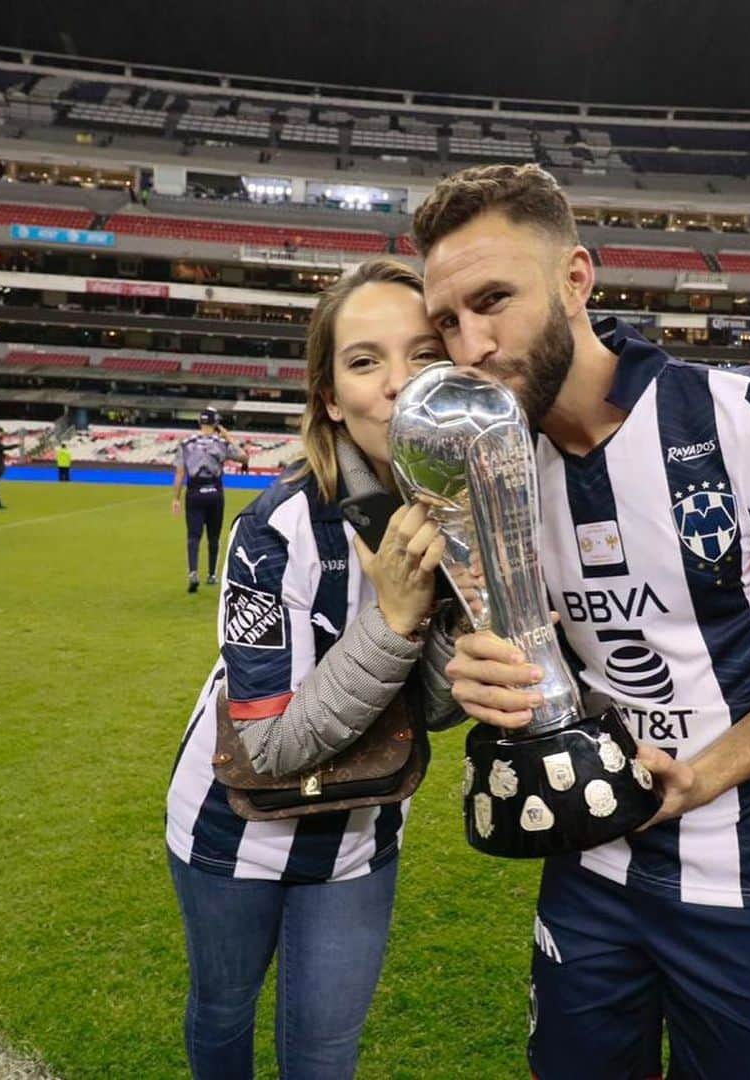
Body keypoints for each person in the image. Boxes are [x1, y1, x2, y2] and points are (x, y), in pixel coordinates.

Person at [414, 164, 750, 1080]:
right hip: (588, 862)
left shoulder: (745, 420)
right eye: (446, 321)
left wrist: (703, 778)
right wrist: (478, 675)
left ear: (576, 280)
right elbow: (507, 661)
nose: (468, 344)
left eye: (493, 301)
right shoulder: (489, 473)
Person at [165, 258, 460, 1079]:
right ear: (330, 396)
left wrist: (465, 657)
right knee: (222, 1016)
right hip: (233, 828)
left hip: (359, 831)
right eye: (365, 361)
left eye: (426, 355)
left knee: (326, 1052)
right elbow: (267, 749)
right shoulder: (276, 529)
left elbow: (430, 710)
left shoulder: (467, 512)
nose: (400, 385)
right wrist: (400, 618)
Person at [172, 409, 249, 593]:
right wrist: (226, 434)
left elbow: (179, 473)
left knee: (193, 535)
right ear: (215, 424)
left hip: (194, 492)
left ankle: (193, 572)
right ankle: (212, 574)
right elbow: (244, 456)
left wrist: (176, 498)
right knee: (213, 536)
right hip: (214, 492)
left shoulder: (186, 444)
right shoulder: (221, 443)